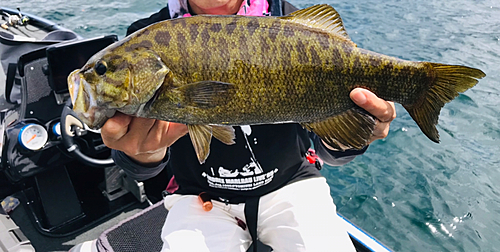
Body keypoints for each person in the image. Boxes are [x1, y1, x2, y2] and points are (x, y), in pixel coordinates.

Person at [101, 0, 397, 251]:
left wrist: (354, 134)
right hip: (197, 196)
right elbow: (145, 168)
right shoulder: (143, 40)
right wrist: (144, 152)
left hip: (293, 185)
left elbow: (331, 153)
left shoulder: (293, 24)